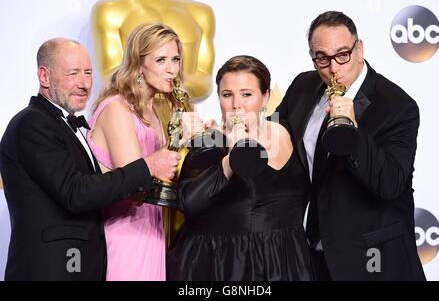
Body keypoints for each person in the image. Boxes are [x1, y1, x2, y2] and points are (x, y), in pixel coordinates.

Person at [0, 38, 180, 281]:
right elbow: (75, 192)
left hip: (80, 264)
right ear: (44, 77)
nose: (84, 83)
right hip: (54, 268)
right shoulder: (32, 123)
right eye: (73, 73)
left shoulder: (67, 124)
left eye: (88, 73)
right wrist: (147, 167)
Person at [276, 11, 426, 281]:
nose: (334, 68)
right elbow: (278, 134)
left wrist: (351, 130)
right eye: (322, 58)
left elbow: (390, 183)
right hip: (310, 256)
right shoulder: (302, 86)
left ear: (359, 49)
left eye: (342, 54)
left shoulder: (397, 106)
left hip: (372, 260)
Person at [166, 55, 313, 281]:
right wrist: (231, 158)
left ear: (266, 97)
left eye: (247, 94)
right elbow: (188, 202)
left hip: (288, 259)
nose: (236, 105)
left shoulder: (288, 131)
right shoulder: (210, 141)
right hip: (229, 266)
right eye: (227, 95)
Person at [87, 23, 203, 281]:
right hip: (125, 231)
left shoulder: (155, 109)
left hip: (152, 226)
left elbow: (165, 171)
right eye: (161, 60)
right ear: (138, 65)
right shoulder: (116, 108)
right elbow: (135, 186)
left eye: (176, 59)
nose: (172, 69)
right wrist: (178, 139)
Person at [90, 0, 215, 101]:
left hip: (185, 121)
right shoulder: (110, 9)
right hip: (133, 118)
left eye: (176, 59)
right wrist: (167, 84)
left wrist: (164, 83)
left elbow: (205, 80)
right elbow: (110, 79)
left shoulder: (200, 13)